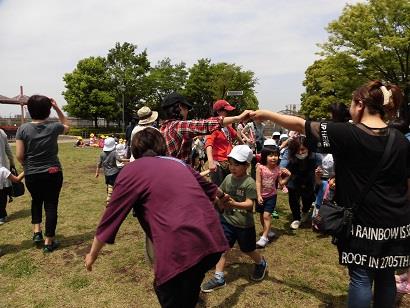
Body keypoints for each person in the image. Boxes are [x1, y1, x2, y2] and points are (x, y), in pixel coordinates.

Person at [250, 80, 410, 308]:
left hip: (363, 221)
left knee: (361, 277)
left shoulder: (345, 133)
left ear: (360, 104)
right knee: (385, 275)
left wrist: (266, 113)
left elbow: (300, 124)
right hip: (396, 220)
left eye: (352, 104)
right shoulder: (400, 140)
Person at [85, 128, 229, 308]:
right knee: (190, 285)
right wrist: (224, 198)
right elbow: (210, 188)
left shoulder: (131, 171)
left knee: (168, 290)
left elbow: (111, 216)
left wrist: (92, 254)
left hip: (179, 248)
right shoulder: (178, 163)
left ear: (135, 150)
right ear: (162, 146)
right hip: (212, 241)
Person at [201, 145, 268, 293]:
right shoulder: (228, 178)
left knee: (248, 249)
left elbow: (250, 204)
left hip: (244, 225)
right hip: (227, 221)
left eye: (237, 164)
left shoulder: (249, 183)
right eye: (231, 163)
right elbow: (220, 194)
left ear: (247, 165)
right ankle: (219, 277)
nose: (232, 167)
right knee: (222, 249)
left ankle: (261, 262)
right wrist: (215, 204)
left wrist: (234, 204)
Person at [15, 95, 70, 253]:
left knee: (36, 200)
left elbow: (19, 155)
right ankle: (49, 242)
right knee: (51, 205)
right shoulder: (54, 127)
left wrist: (28, 165)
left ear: (29, 110)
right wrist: (57, 108)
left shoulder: (23, 129)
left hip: (31, 174)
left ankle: (36, 232)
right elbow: (66, 124)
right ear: (48, 110)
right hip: (53, 172)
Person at [160, 92, 250, 164]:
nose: (187, 112)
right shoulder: (177, 126)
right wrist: (238, 118)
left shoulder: (163, 128)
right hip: (179, 176)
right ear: (180, 107)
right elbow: (205, 125)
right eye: (187, 108)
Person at [255, 145, 290, 247]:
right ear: (265, 156)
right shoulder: (260, 168)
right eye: (270, 155)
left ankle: (264, 237)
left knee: (267, 215)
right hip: (260, 196)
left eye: (276, 155)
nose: (274, 158)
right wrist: (258, 195)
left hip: (272, 196)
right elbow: (257, 182)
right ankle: (268, 230)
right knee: (261, 215)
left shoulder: (278, 169)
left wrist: (288, 176)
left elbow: (280, 184)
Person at [283, 135, 320, 230]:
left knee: (308, 198)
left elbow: (318, 168)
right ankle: (296, 218)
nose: (300, 152)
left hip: (309, 178)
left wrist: (318, 172)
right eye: (297, 150)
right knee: (293, 198)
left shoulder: (315, 155)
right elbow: (282, 166)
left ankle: (305, 211)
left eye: (303, 149)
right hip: (294, 178)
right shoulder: (289, 155)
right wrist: (284, 171)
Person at [206, 100, 242, 186]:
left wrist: (244, 145)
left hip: (229, 162)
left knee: (229, 188)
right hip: (218, 164)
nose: (228, 113)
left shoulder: (227, 127)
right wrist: (210, 161)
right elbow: (208, 144)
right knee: (218, 189)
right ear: (218, 112)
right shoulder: (213, 127)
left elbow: (236, 135)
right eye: (226, 111)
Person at [95, 137, 127, 205]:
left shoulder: (102, 153)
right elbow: (120, 160)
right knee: (114, 185)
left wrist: (97, 172)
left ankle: (109, 198)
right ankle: (110, 199)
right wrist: (129, 160)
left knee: (109, 185)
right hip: (115, 172)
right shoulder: (114, 153)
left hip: (106, 173)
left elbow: (99, 164)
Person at [0, 128, 16, 224]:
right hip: (3, 166)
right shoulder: (1, 132)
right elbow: (8, 149)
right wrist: (11, 162)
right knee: (2, 192)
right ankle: (2, 214)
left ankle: (2, 215)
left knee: (1, 192)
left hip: (2, 167)